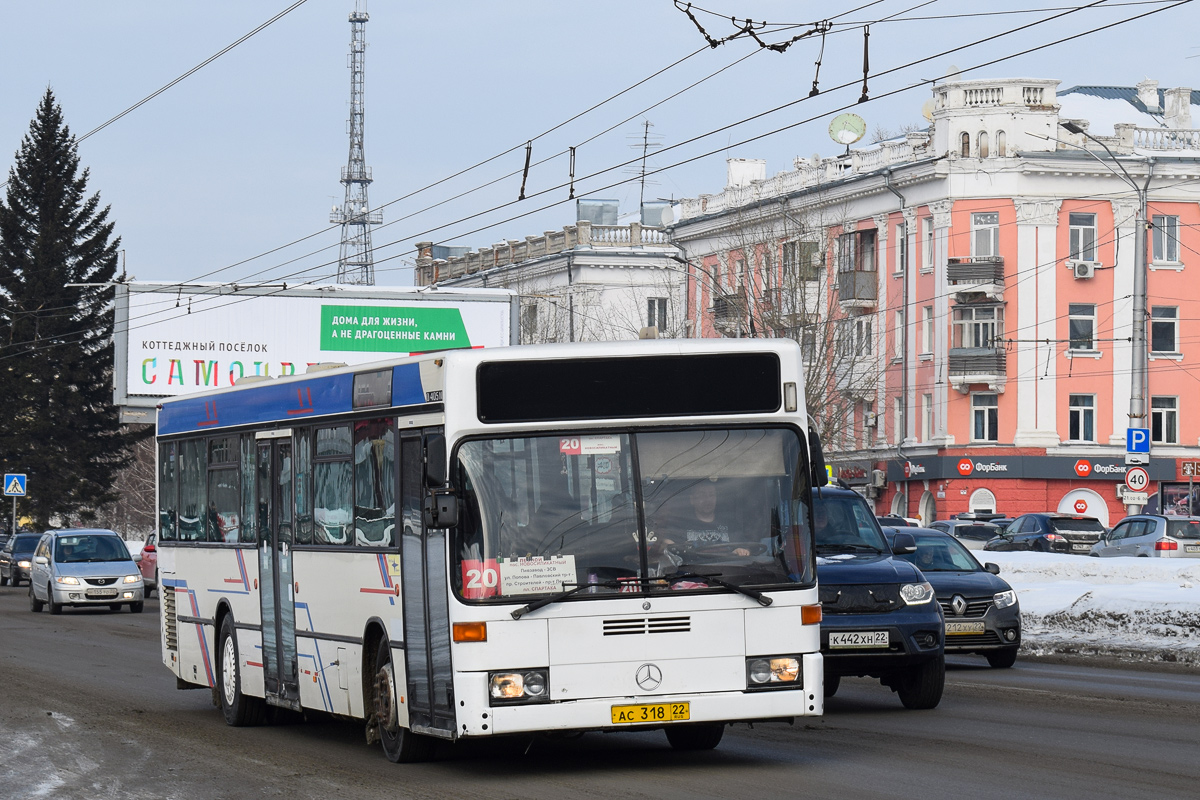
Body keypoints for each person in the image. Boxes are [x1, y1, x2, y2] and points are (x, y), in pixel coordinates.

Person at [676, 480, 750, 557]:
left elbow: (744, 547)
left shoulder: (731, 525)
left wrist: (741, 550)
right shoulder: (681, 525)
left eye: (711, 495)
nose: (708, 500)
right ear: (692, 500)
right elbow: (669, 545)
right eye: (702, 495)